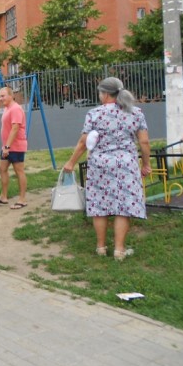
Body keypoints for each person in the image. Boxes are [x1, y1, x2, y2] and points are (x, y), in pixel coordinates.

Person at [63, 77, 151, 260]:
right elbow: (144, 141)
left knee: (99, 205)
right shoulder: (136, 113)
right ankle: (119, 250)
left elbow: (83, 142)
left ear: (104, 94)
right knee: (124, 206)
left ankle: (101, 248)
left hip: (100, 164)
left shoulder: (94, 114)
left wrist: (71, 162)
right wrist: (147, 164)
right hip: (126, 165)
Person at [0, 86, 28, 209]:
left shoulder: (16, 109)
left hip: (15, 146)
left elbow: (15, 128)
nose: (0, 98)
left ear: (11, 95)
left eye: (3, 96)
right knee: (2, 168)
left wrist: (7, 146)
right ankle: (3, 197)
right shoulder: (7, 108)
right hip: (6, 146)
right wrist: (5, 146)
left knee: (19, 171)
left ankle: (22, 200)